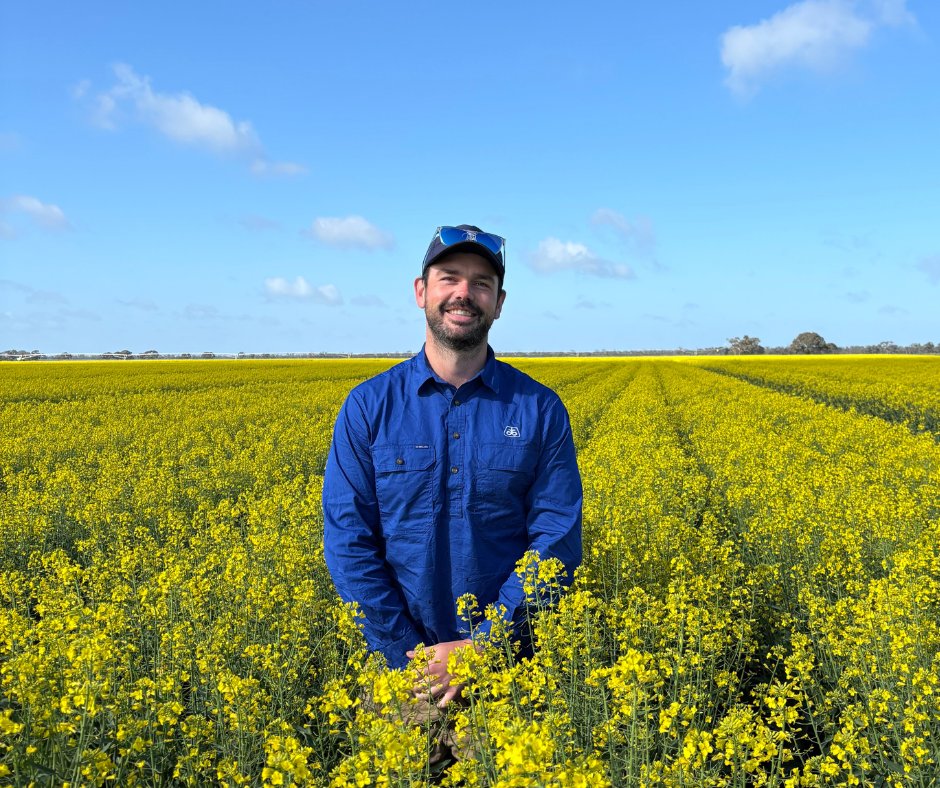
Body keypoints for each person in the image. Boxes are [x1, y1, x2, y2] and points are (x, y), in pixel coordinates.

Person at [322, 224, 583, 709]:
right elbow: (348, 542)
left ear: (499, 302)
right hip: (400, 672)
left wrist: (485, 644)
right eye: (449, 278)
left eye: (481, 283)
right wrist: (408, 656)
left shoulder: (540, 409)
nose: (464, 293)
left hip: (511, 670)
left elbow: (557, 538)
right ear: (421, 291)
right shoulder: (367, 408)